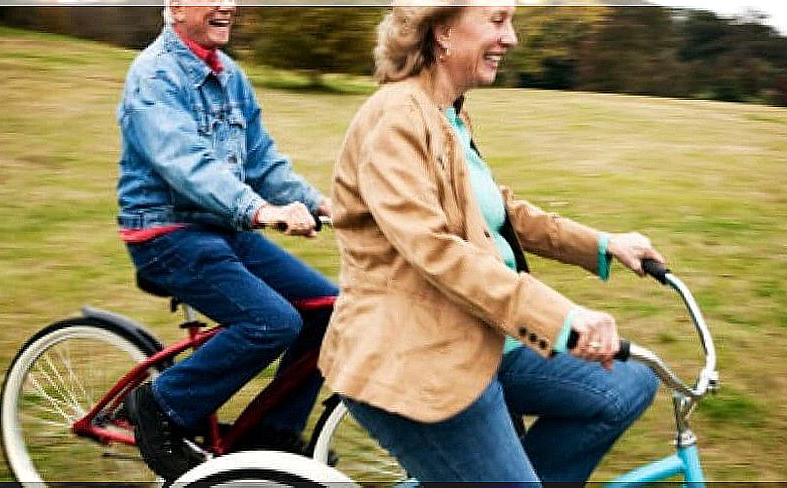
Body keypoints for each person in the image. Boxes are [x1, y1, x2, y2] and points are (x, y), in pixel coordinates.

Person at [320, 1, 665, 483]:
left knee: (627, 386)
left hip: (481, 335)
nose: (512, 38)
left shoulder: (448, 113)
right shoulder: (396, 119)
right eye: (498, 21)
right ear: (442, 31)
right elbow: (437, 251)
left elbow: (496, 212)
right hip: (417, 358)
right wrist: (562, 317)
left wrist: (603, 244)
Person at [116, 0, 337, 481]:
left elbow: (261, 162)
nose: (228, 5)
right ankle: (159, 406)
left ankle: (270, 438)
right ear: (175, 6)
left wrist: (322, 204)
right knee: (272, 321)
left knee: (329, 309)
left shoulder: (230, 75)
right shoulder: (153, 77)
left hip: (223, 231)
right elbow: (187, 166)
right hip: (166, 234)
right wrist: (262, 211)